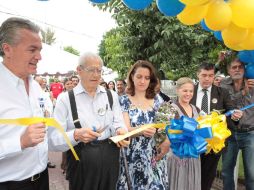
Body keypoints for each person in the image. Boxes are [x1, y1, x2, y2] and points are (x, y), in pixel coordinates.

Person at [50, 52, 129, 190]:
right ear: (79, 70)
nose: (96, 74)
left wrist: (121, 131)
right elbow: (54, 139)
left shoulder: (111, 95)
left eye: (99, 70)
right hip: (81, 162)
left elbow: (118, 122)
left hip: (110, 159)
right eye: (91, 70)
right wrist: (75, 135)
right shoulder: (65, 99)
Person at [0, 17, 49, 190]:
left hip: (42, 180)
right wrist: (19, 142)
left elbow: (47, 135)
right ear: (8, 49)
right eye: (32, 49)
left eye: (40, 50)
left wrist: (75, 135)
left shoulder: (36, 87)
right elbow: (26, 139)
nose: (39, 57)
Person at [117, 60, 169, 190]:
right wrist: (141, 130)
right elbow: (125, 128)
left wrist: (164, 142)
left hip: (154, 156)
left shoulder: (159, 99)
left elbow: (165, 126)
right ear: (131, 77)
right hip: (132, 156)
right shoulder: (123, 100)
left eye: (147, 78)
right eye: (139, 77)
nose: (142, 81)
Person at [190, 62, 242, 190]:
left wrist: (235, 116)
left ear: (214, 76)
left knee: (208, 176)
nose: (207, 78)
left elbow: (230, 111)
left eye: (210, 75)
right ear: (198, 75)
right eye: (204, 75)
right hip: (192, 140)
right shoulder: (190, 91)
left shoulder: (222, 93)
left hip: (213, 142)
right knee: (191, 174)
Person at [220, 58, 254, 190]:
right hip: (230, 133)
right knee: (226, 171)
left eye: (240, 67)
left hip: (250, 133)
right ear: (229, 70)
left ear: (245, 69)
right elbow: (226, 103)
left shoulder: (252, 81)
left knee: (251, 173)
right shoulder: (222, 84)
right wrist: (243, 92)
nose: (237, 69)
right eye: (234, 67)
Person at [166, 77, 201, 190]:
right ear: (177, 90)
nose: (188, 94)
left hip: (193, 155)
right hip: (177, 155)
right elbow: (164, 132)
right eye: (185, 90)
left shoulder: (196, 109)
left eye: (191, 91)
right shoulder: (169, 108)